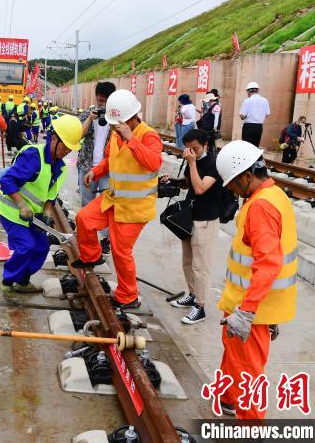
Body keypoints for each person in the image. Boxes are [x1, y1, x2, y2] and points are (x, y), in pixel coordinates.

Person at [214, 140, 297, 419]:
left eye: (233, 185)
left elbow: (269, 263)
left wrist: (246, 313)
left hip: (250, 309)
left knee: (246, 374)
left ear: (247, 176)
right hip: (248, 303)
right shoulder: (274, 195)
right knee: (233, 358)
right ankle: (227, 399)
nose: (231, 190)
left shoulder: (261, 207)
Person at [74, 89, 163, 310]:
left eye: (118, 123)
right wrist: (95, 171)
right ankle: (91, 256)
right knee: (84, 218)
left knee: (120, 251)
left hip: (135, 208)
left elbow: (153, 163)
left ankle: (128, 296)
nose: (114, 127)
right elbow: (109, 160)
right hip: (114, 200)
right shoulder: (115, 135)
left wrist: (131, 139)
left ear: (133, 117)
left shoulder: (148, 135)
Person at [0, 116, 83, 300]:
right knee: (26, 246)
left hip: (31, 216)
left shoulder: (61, 168)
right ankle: (7, 282)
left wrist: (47, 212)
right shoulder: (33, 156)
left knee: (41, 247)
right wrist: (21, 204)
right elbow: (7, 180)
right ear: (54, 138)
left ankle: (23, 281)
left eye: (70, 148)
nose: (66, 151)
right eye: (64, 145)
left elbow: (51, 194)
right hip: (12, 211)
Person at [160, 129, 223, 324]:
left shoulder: (214, 164)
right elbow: (189, 184)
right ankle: (193, 294)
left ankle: (201, 307)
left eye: (195, 148)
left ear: (205, 145)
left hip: (206, 220)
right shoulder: (192, 160)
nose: (191, 152)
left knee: (201, 267)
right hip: (190, 217)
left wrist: (192, 162)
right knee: (187, 261)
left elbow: (200, 188)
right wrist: (174, 180)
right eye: (188, 149)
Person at [77, 82, 116, 254]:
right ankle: (89, 238)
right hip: (87, 165)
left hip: (108, 167)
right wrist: (89, 119)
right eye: (99, 100)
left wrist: (113, 122)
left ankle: (106, 238)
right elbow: (79, 133)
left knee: (108, 204)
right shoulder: (88, 112)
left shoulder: (116, 115)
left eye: (104, 101)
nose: (101, 104)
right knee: (87, 203)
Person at [239, 81, 270, 147]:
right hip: (259, 127)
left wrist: (244, 116)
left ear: (248, 91)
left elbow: (243, 116)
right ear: (257, 90)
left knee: (246, 146)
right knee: (255, 147)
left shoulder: (247, 101)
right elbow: (267, 114)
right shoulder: (265, 100)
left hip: (248, 127)